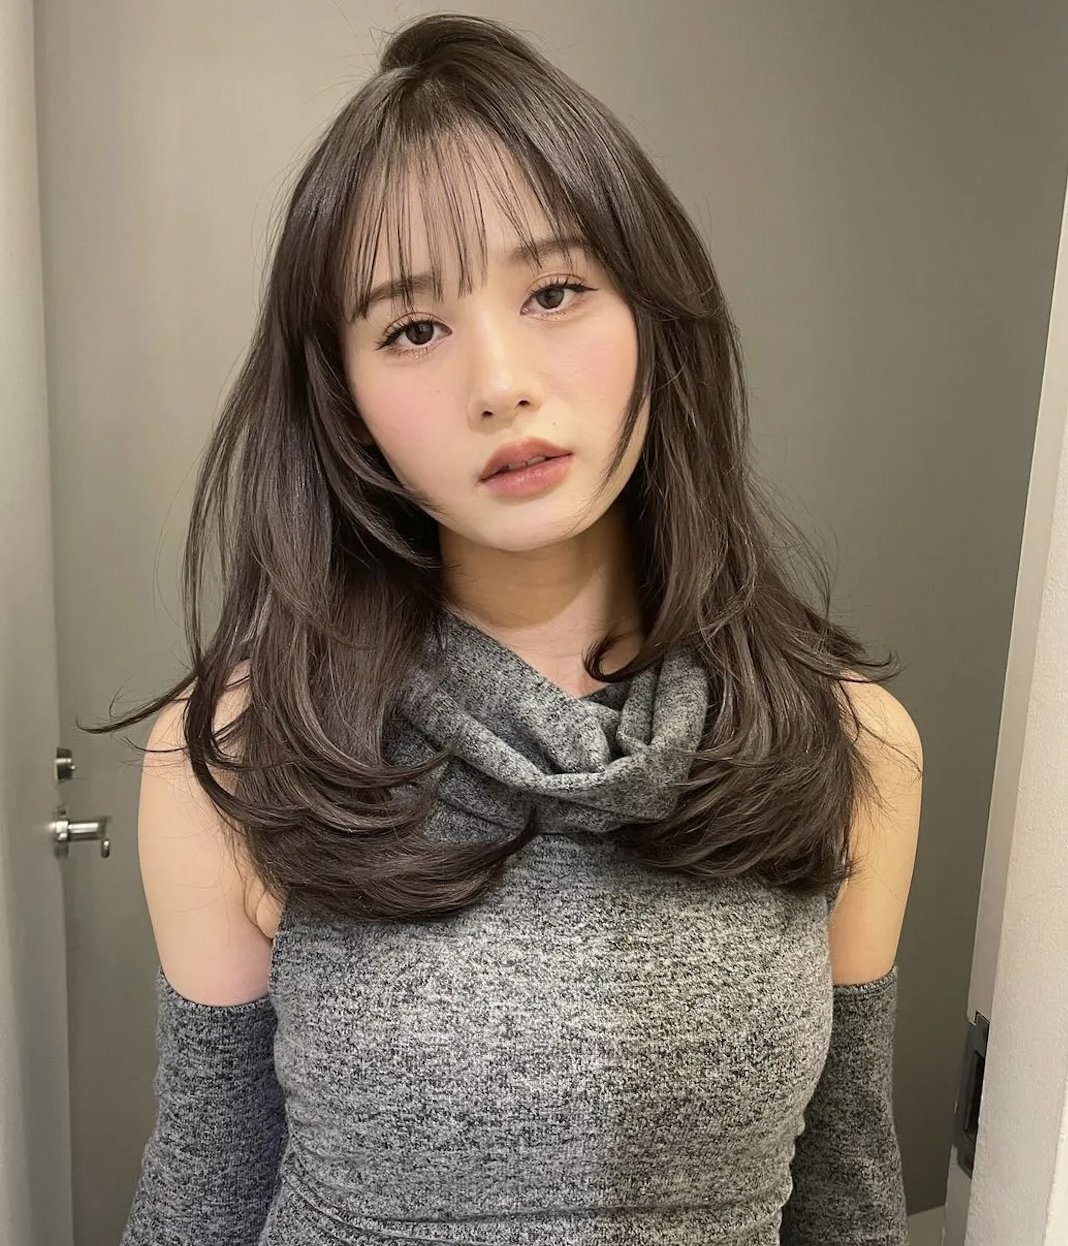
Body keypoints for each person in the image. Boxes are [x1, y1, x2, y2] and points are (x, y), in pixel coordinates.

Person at [92, 11, 923, 1244]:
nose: (499, 382)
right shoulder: (237, 750)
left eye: (556, 291)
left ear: (653, 314)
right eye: (412, 329)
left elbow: (847, 1185)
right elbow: (206, 1187)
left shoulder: (849, 741)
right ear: (343, 399)